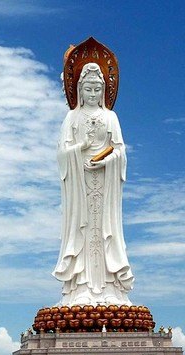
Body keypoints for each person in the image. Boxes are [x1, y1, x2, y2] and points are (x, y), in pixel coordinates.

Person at [53, 62, 134, 306]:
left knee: (106, 230)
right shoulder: (72, 117)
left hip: (105, 183)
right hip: (80, 184)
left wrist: (107, 160)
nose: (92, 94)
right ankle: (81, 288)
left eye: (97, 89)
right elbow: (62, 153)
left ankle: (110, 288)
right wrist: (82, 148)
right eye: (88, 89)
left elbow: (120, 151)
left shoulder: (111, 117)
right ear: (79, 90)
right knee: (84, 230)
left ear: (104, 91)